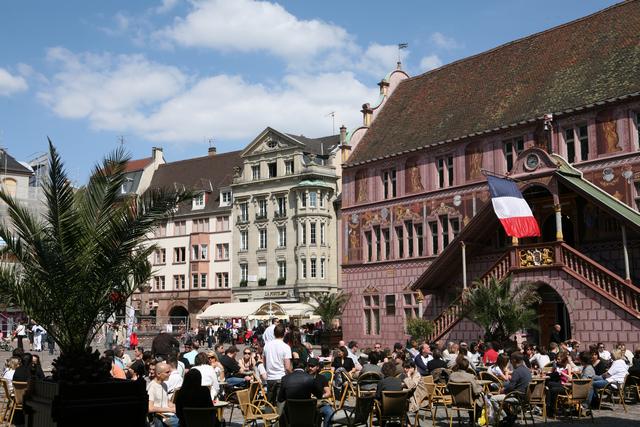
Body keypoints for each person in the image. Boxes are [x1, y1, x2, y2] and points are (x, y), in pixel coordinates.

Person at [263, 323, 292, 404]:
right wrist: (291, 374)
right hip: (281, 377)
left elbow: (264, 363)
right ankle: (279, 416)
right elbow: (287, 367)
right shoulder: (285, 347)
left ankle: (269, 415)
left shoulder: (267, 346)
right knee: (281, 403)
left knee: (270, 403)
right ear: (284, 333)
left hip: (270, 378)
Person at [148, 362, 179, 427]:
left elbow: (168, 403)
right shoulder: (152, 387)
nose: (170, 374)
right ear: (158, 374)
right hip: (159, 417)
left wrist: (177, 407)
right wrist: (170, 409)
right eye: (167, 372)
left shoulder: (164, 385)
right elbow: (150, 408)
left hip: (168, 415)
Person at [307, 358, 333, 427]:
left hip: (319, 402)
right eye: (309, 366)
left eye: (312, 366)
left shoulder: (322, 378)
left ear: (317, 367)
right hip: (306, 403)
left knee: (329, 412)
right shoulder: (304, 377)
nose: (310, 368)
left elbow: (328, 393)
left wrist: (321, 396)